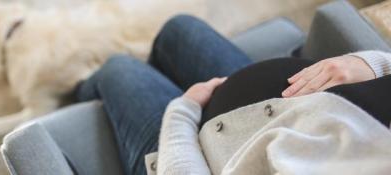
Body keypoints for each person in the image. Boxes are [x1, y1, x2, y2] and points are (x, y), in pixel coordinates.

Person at [74, 15, 391, 175]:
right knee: (179, 29)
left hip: (196, 152)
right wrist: (371, 63)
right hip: (268, 102)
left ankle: (79, 97)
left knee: (119, 69)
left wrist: (181, 112)